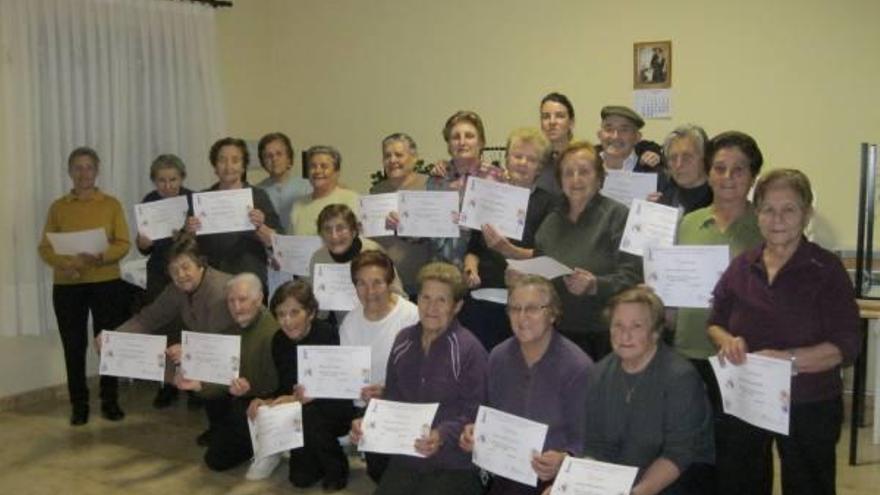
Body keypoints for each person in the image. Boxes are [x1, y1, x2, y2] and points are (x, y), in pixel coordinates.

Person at [708, 169, 860, 495]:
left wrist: (788, 360)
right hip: (749, 398)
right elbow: (715, 320)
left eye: (788, 209)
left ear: (806, 214)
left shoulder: (827, 270)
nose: (777, 219)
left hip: (809, 401)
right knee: (740, 482)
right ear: (757, 214)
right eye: (768, 209)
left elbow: (846, 345)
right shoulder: (742, 266)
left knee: (808, 485)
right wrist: (728, 341)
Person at [350, 262, 488, 494]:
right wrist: (369, 422)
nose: (431, 307)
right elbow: (393, 396)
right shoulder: (403, 340)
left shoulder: (469, 349)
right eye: (425, 297)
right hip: (408, 453)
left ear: (457, 306)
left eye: (442, 300)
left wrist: (442, 434)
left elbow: (477, 412)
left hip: (453, 460)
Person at [459, 275, 592, 494]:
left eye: (532, 308)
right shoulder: (498, 357)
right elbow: (488, 413)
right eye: (514, 309)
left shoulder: (577, 367)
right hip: (503, 472)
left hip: (552, 482)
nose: (522, 317)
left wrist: (564, 459)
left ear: (552, 314)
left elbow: (585, 441)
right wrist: (474, 432)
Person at [583, 287, 715, 495]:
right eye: (618, 325)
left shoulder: (681, 378)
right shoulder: (598, 374)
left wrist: (637, 492)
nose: (625, 335)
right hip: (616, 482)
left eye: (636, 326)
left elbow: (678, 454)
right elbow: (594, 445)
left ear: (655, 332)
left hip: (670, 481)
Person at [38, 146, 131, 425]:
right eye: (77, 168)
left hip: (106, 282)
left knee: (108, 344)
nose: (83, 173)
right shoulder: (58, 207)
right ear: (69, 172)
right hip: (68, 284)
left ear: (97, 170)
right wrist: (65, 264)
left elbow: (123, 244)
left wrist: (100, 256)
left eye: (88, 167)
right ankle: (79, 405)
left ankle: (110, 400)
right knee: (73, 345)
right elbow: (45, 248)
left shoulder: (111, 204)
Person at [673, 131, 765, 411]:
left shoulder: (765, 226)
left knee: (741, 447)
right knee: (693, 442)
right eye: (719, 168)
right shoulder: (689, 222)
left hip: (742, 353)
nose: (727, 177)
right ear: (708, 172)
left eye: (738, 170)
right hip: (688, 348)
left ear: (753, 176)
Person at [528, 141, 642, 360]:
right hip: (557, 334)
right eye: (568, 173)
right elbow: (539, 269)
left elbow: (634, 276)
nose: (576, 179)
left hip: (606, 338)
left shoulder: (618, 216)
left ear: (599, 178)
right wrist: (524, 278)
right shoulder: (550, 221)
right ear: (560, 181)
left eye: (584, 172)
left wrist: (595, 285)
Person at [244, 280, 354, 490]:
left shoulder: (328, 334)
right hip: (299, 411)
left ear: (311, 313)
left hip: (332, 408)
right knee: (300, 479)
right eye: (281, 314)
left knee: (309, 413)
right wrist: (266, 400)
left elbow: (341, 384)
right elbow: (285, 387)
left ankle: (337, 466)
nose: (287, 321)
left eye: (295, 313)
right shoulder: (279, 341)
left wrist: (296, 399)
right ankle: (317, 455)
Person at [460, 128, 558, 350]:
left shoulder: (550, 204)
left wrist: (508, 249)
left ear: (540, 168)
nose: (522, 163)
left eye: (531, 159)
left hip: (527, 305)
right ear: (506, 159)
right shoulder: (489, 195)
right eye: (517, 156)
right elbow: (474, 246)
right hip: (481, 299)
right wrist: (470, 269)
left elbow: (547, 255)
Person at [174, 273, 279, 474]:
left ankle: (269, 445)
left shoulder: (272, 332)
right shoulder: (232, 330)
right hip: (241, 397)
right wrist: (197, 383)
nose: (236, 307)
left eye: (243, 300)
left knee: (217, 460)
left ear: (259, 299)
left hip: (265, 403)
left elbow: (275, 383)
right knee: (215, 458)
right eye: (231, 301)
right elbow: (223, 376)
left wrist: (251, 389)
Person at [339, 250, 420, 482]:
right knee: (379, 474)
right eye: (361, 284)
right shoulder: (350, 323)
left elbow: (423, 373)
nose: (370, 291)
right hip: (371, 408)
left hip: (407, 404)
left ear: (390, 283)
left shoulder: (411, 317)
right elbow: (347, 377)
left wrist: (388, 392)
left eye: (377, 283)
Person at [186, 137, 281, 295]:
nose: (229, 166)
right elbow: (188, 246)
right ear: (215, 167)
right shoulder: (202, 199)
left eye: (235, 160)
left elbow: (278, 241)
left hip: (250, 280)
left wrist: (262, 227)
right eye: (222, 160)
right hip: (211, 282)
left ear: (243, 167)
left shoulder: (258, 196)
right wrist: (189, 230)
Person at [135, 153, 193, 408]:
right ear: (154, 181)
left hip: (188, 272)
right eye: (161, 181)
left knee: (190, 325)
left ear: (182, 178)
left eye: (173, 179)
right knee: (163, 327)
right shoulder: (149, 201)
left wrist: (193, 231)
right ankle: (168, 384)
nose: (167, 186)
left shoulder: (193, 199)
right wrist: (142, 242)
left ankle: (194, 386)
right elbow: (145, 248)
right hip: (160, 272)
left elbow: (202, 244)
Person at [426, 110, 504, 266]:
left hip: (485, 270)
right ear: (448, 145)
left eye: (469, 136)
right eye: (455, 137)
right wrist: (402, 223)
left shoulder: (497, 178)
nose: (462, 142)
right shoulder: (436, 180)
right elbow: (425, 228)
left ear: (481, 142)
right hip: (442, 271)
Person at [370, 132, 433, 297]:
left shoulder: (429, 186)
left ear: (414, 157)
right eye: (387, 155)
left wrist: (405, 226)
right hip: (386, 283)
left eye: (399, 155)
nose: (392, 160)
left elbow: (438, 232)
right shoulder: (376, 191)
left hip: (420, 283)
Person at [289, 145, 360, 235]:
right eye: (313, 166)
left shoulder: (351, 199)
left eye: (324, 166)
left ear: (336, 172)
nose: (317, 171)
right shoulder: (298, 205)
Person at [255, 131, 312, 233]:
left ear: (289, 158)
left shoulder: (308, 187)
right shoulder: (257, 191)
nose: (274, 159)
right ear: (263, 161)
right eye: (268, 156)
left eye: (279, 154)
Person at [596, 105, 665, 184]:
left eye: (624, 130)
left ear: (637, 137)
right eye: (609, 129)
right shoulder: (587, 166)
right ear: (600, 135)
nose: (615, 136)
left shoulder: (654, 174)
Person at [657, 124, 713, 214]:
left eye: (687, 157)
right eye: (673, 158)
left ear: (704, 158)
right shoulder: (663, 199)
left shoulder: (720, 199)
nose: (679, 164)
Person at [537, 92, 576, 195]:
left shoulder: (582, 160)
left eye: (559, 116)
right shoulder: (534, 161)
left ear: (571, 122)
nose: (552, 122)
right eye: (546, 117)